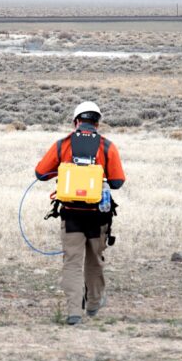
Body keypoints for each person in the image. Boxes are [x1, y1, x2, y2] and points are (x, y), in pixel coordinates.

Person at [34, 102, 126, 325]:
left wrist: (65, 169)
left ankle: (74, 312)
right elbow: (117, 182)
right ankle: (93, 305)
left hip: (71, 214)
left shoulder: (62, 145)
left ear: (76, 121)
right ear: (97, 122)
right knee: (94, 260)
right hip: (98, 216)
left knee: (72, 262)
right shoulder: (107, 147)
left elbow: (40, 173)